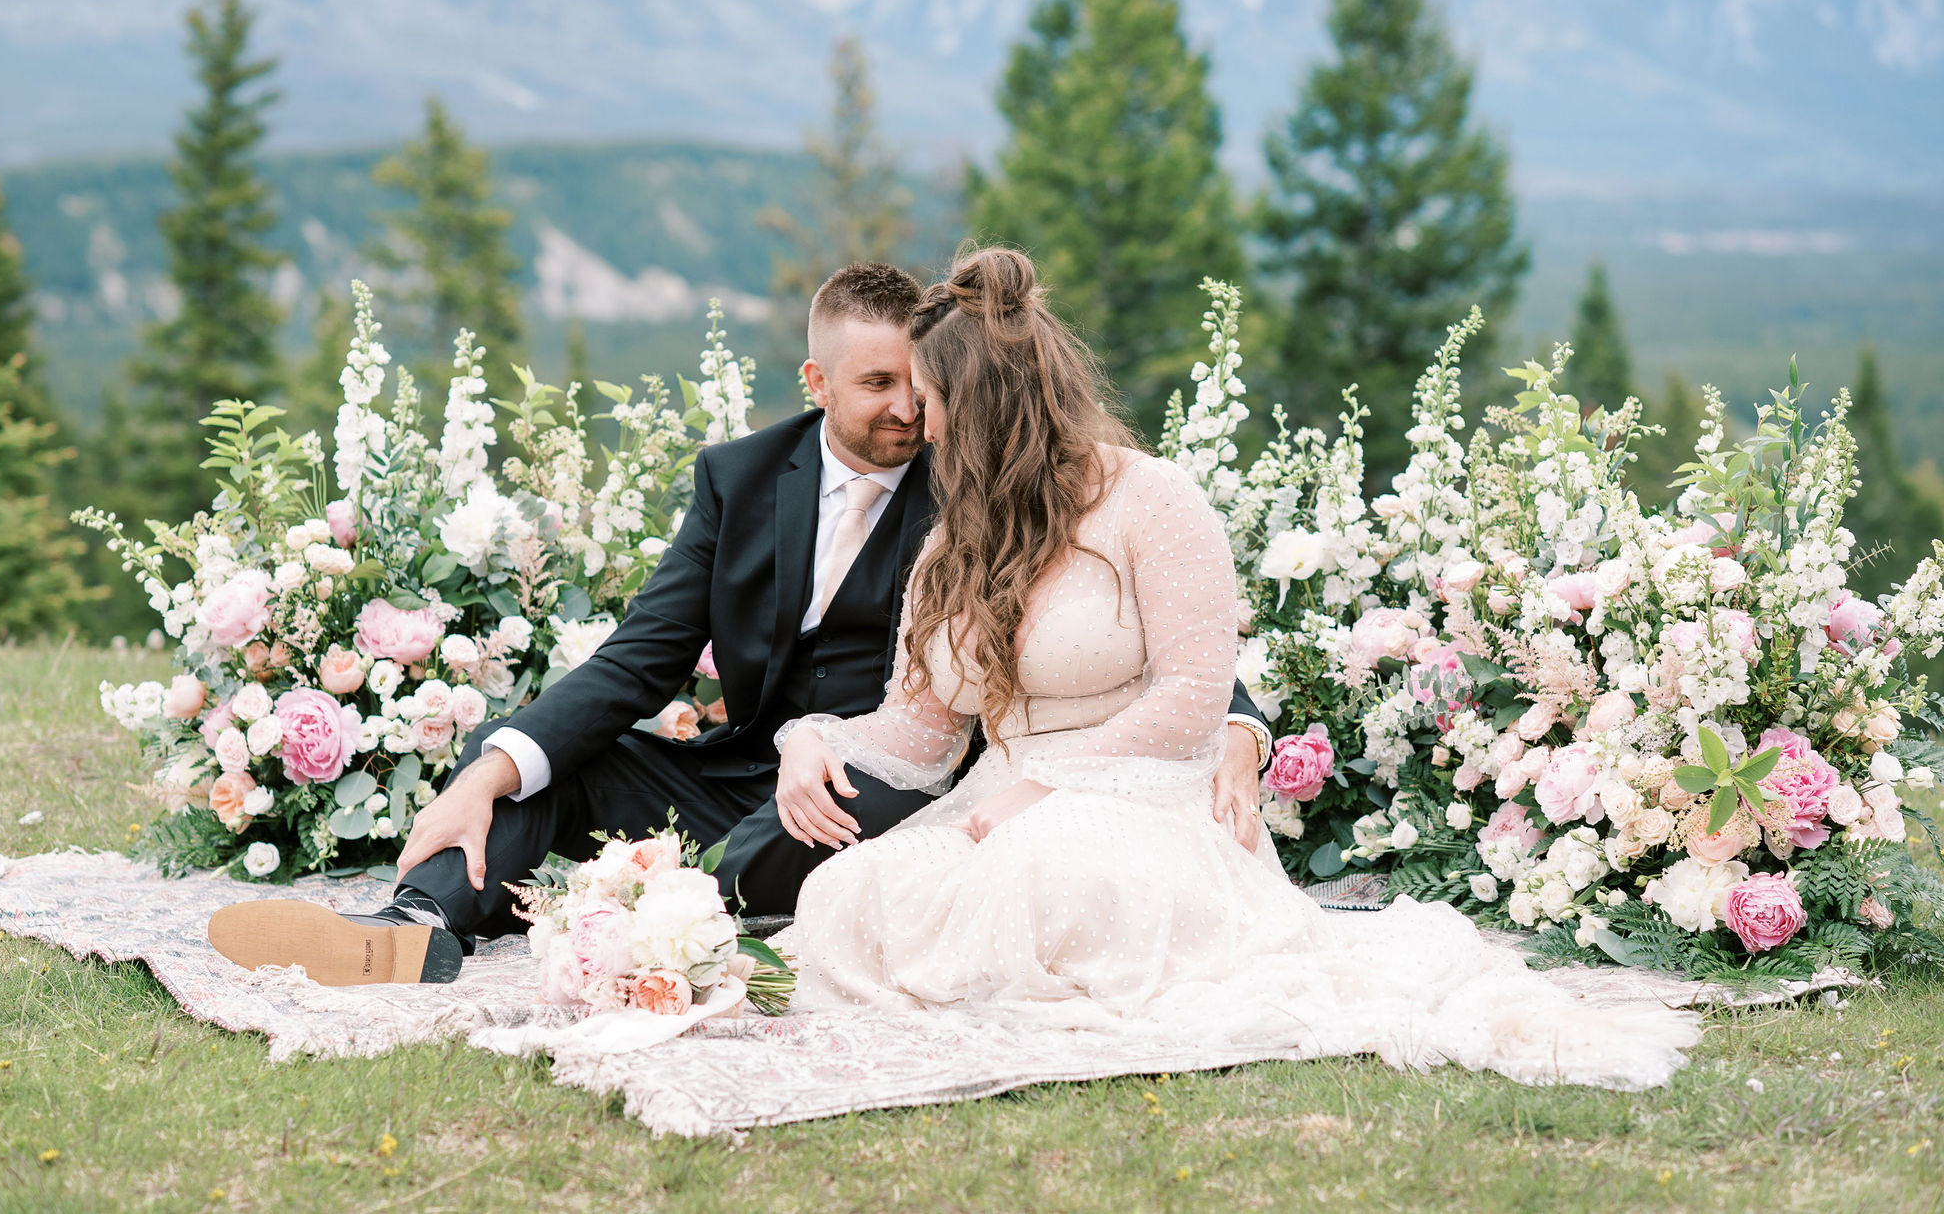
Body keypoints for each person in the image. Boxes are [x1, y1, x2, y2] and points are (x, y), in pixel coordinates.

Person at [774, 247, 1701, 1090]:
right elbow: (923, 732)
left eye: (932, 405)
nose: (920, 426)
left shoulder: (1151, 501)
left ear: (980, 407)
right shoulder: (951, 550)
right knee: (842, 900)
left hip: (1141, 797)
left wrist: (1045, 787)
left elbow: (1189, 698)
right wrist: (807, 737)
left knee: (1045, 873)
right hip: (996, 807)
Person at [206, 261, 1276, 986]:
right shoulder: (738, 476)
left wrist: (1235, 721)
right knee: (570, 772)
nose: (910, 411)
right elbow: (641, 655)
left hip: (892, 780)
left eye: (924, 387)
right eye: (878, 386)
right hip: (759, 759)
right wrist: (490, 764)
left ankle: (648, 920)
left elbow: (1117, 623)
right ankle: (416, 924)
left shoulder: (981, 482)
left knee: (782, 844)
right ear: (814, 383)